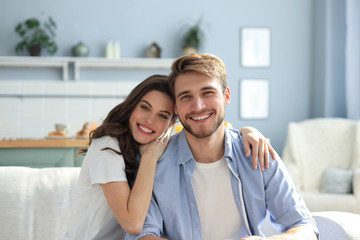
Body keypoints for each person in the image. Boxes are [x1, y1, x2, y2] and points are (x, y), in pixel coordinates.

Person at [125, 54, 319, 240]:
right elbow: (141, 235)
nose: (198, 106)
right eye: (186, 97)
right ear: (175, 107)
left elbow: (304, 226)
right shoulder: (154, 163)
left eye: (207, 92)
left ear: (226, 95)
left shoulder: (258, 153)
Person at [62, 74, 275, 239]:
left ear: (172, 123)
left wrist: (248, 131)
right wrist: (149, 159)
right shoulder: (107, 148)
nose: (149, 120)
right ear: (131, 106)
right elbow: (133, 224)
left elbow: (214, 131)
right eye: (144, 107)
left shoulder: (149, 145)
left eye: (162, 115)